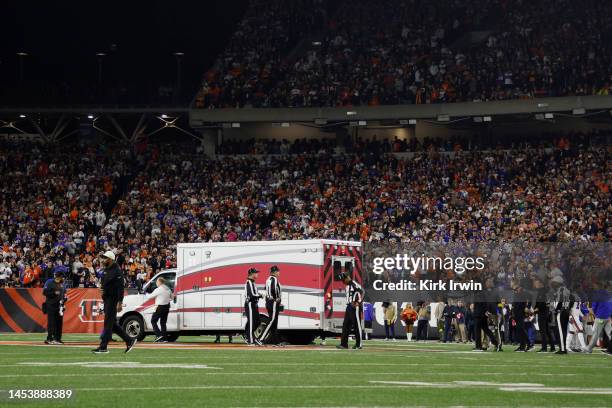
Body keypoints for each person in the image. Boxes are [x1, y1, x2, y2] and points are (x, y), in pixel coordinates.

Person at [92, 250, 136, 354]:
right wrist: (101, 289)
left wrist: (120, 302)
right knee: (112, 324)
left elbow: (120, 288)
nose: (103, 260)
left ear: (111, 259)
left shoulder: (117, 270)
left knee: (108, 323)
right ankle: (129, 340)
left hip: (113, 300)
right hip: (107, 299)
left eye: (105, 258)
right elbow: (104, 284)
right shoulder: (107, 269)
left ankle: (103, 347)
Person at [337, 273, 363, 350]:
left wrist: (358, 302)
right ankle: (344, 344)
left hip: (355, 307)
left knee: (356, 325)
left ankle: (359, 344)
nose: (343, 282)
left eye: (343, 280)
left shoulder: (354, 284)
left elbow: (362, 291)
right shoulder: (347, 285)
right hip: (348, 306)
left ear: (348, 277)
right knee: (345, 325)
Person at [146, 276, 173, 342]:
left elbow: (150, 297)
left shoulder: (159, 289)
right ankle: (165, 338)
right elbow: (172, 298)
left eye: (157, 282)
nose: (156, 283)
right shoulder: (168, 288)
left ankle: (158, 335)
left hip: (160, 307)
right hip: (167, 307)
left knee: (153, 321)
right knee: (163, 323)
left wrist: (146, 294)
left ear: (159, 282)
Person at [259, 265, 282, 345]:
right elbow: (274, 289)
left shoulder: (268, 279)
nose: (279, 273)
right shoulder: (274, 279)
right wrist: (276, 298)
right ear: (275, 272)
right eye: (278, 271)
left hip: (268, 302)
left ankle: (276, 342)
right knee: (271, 321)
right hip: (273, 302)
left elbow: (266, 288)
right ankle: (261, 339)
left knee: (274, 322)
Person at [42, 271, 66, 345]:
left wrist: (64, 300)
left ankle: (57, 338)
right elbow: (44, 292)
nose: (63, 278)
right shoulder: (49, 283)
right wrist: (54, 293)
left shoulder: (62, 284)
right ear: (59, 276)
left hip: (60, 306)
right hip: (51, 305)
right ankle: (50, 338)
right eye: (62, 277)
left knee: (59, 323)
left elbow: (64, 294)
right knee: (51, 322)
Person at [244, 268, 262, 346]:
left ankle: (249, 336)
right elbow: (251, 295)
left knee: (257, 321)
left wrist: (258, 294)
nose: (257, 274)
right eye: (256, 273)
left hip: (254, 304)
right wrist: (260, 295)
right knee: (251, 322)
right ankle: (250, 340)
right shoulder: (249, 282)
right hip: (250, 304)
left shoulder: (253, 283)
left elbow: (254, 293)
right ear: (252, 274)